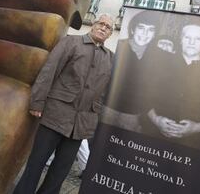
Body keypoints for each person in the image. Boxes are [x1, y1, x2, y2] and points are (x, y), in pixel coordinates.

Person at [13, 14, 114, 194]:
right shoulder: (71, 42)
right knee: (35, 164)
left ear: (110, 34)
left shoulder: (110, 58)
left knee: (60, 171)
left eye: (108, 27)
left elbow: (105, 92)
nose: (103, 27)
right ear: (93, 25)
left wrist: (96, 116)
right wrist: (37, 102)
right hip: (55, 114)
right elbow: (49, 70)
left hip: (81, 124)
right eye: (101, 23)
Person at [144, 23, 200, 150]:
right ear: (181, 40)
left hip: (192, 145)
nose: (191, 42)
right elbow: (142, 95)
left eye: (197, 39)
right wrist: (156, 120)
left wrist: (195, 128)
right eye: (187, 37)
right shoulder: (160, 63)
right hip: (152, 136)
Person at [102, 10, 161, 130]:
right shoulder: (118, 46)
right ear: (133, 29)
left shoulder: (157, 56)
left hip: (133, 116)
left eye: (150, 30)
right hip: (107, 109)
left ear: (154, 34)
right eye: (141, 28)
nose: (145, 33)